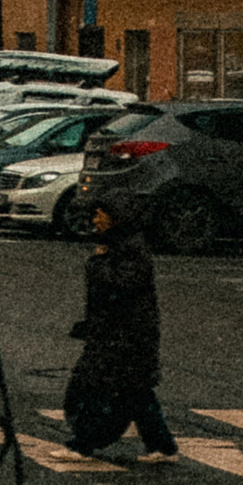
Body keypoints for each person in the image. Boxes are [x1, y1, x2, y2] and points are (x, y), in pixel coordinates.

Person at [64, 196, 178, 462]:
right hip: (126, 334)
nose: (95, 221)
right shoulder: (122, 244)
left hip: (123, 336)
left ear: (115, 218)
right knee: (135, 392)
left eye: (100, 215)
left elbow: (122, 285)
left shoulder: (127, 249)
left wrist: (96, 264)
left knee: (99, 387)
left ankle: (83, 445)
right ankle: (161, 446)